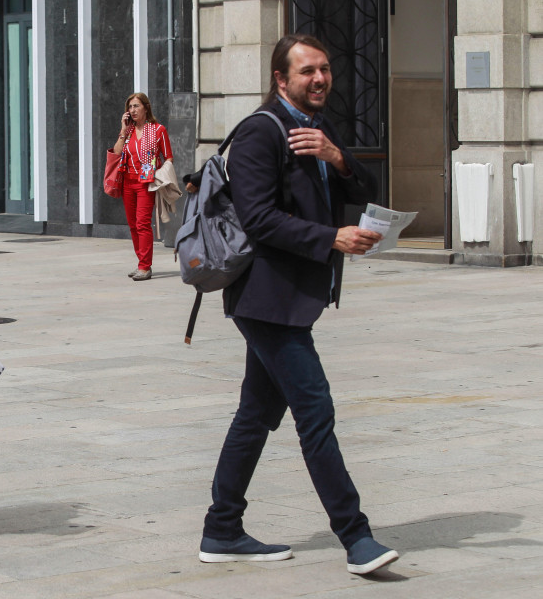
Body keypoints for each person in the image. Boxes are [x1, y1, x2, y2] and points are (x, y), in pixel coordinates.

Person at [198, 34, 399, 575]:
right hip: (266, 299)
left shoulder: (316, 129)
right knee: (315, 411)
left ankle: (222, 528)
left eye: (325, 69)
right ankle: (357, 539)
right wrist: (330, 238)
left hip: (292, 297)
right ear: (280, 79)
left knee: (257, 413)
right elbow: (258, 218)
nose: (320, 79)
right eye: (307, 71)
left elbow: (367, 185)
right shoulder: (261, 134)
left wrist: (338, 158)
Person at [113, 92, 173, 281]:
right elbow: (116, 152)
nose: (133, 110)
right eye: (130, 107)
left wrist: (158, 173)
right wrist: (123, 129)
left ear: (146, 108)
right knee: (132, 225)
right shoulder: (128, 132)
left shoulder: (157, 130)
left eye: (136, 106)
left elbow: (168, 157)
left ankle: (145, 267)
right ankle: (141, 261)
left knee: (142, 224)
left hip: (145, 182)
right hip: (127, 182)